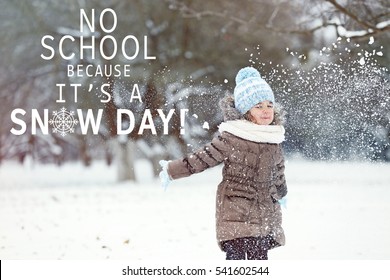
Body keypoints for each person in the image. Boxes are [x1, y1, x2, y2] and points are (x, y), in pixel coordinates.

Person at [159, 67, 287, 260]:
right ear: (246, 111)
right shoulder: (232, 137)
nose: (266, 111)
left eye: (269, 105)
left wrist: (281, 192)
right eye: (258, 106)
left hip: (264, 213)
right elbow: (201, 159)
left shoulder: (273, 139)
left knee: (259, 265)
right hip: (235, 211)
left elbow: (278, 171)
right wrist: (171, 170)